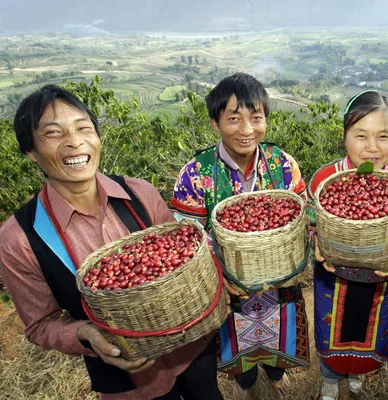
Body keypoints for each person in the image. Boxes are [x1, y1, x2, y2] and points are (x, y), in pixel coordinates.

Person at [0, 85, 222, 400]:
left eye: (83, 128)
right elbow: (40, 325)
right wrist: (86, 334)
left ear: (97, 136)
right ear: (30, 152)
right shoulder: (20, 238)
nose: (74, 141)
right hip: (131, 380)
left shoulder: (139, 194)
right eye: (53, 133)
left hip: (190, 344)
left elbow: (183, 254)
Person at [170, 73, 309, 399]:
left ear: (266, 120)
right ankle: (245, 381)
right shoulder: (196, 173)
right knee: (234, 342)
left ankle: (276, 372)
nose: (246, 129)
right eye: (234, 118)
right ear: (216, 122)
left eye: (256, 118)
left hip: (279, 280)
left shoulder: (283, 164)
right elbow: (186, 235)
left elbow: (302, 214)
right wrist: (218, 274)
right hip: (227, 284)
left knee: (279, 334)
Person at [308, 90, 388, 400]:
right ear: (345, 136)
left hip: (381, 284)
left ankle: (358, 374)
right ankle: (330, 379)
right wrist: (314, 242)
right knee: (330, 332)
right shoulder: (325, 179)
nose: (373, 147)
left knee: (372, 334)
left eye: (383, 136)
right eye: (361, 135)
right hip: (333, 281)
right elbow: (308, 226)